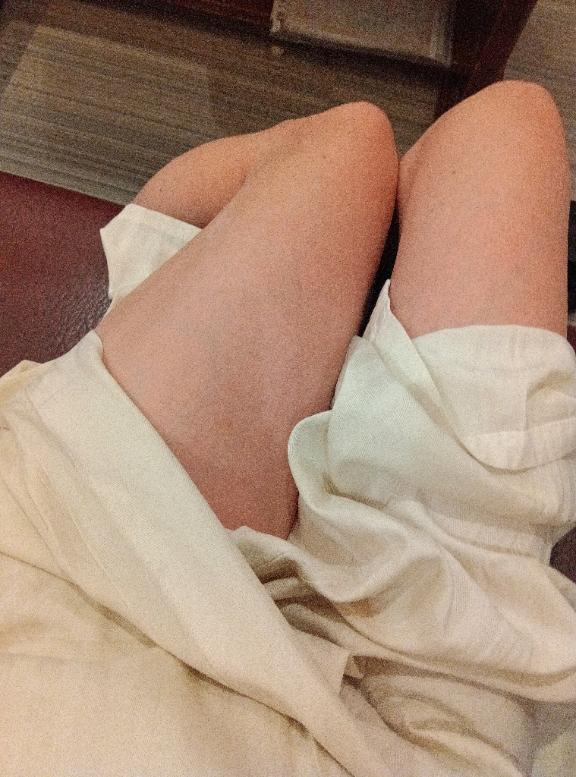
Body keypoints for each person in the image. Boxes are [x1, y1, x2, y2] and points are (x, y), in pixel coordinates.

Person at [1, 79, 575, 776]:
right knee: (509, 126)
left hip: (93, 558)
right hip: (420, 731)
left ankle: (152, 282)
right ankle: (168, 286)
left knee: (354, 144)